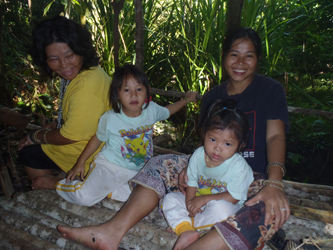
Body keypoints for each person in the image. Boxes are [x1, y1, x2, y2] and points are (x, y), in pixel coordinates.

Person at [57, 27, 290, 250]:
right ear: (223, 56)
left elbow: (276, 135)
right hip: (210, 169)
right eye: (234, 54)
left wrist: (275, 182)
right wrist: (191, 168)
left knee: (265, 212)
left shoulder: (270, 89)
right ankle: (111, 232)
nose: (240, 63)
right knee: (160, 163)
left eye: (249, 56)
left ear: (258, 59)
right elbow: (205, 142)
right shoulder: (212, 96)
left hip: (253, 177)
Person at [55, 64, 198, 206]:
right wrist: (81, 161)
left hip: (137, 171)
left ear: (147, 91)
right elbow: (97, 139)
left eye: (139, 89)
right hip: (110, 167)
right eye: (127, 90)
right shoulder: (111, 118)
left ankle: (107, 191)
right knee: (84, 198)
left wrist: (187, 99)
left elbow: (168, 111)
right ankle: (59, 185)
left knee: (149, 197)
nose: (134, 95)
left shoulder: (152, 110)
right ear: (117, 94)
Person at [18, 16, 111, 190]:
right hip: (95, 143)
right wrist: (55, 127)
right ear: (44, 59)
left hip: (94, 155)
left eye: (69, 55)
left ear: (81, 50)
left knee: (28, 153)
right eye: (54, 59)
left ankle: (63, 187)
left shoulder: (84, 88)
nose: (63, 65)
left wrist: (36, 136)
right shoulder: (87, 71)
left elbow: (69, 136)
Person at [163, 99, 254, 250]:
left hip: (222, 207)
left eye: (227, 144)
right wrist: (190, 204)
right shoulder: (199, 155)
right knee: (170, 199)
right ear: (203, 134)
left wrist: (204, 199)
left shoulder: (239, 167)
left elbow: (234, 197)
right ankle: (188, 231)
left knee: (223, 210)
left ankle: (186, 226)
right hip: (199, 206)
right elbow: (191, 181)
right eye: (212, 139)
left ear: (240, 145)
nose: (217, 148)